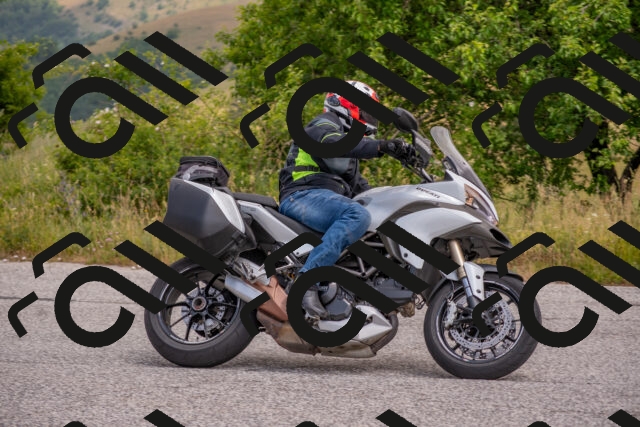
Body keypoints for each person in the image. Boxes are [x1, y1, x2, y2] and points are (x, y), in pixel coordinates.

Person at [277, 80, 418, 320]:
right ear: (347, 105)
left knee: (384, 217)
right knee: (356, 215)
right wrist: (383, 146)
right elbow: (336, 144)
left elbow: (363, 190)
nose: (370, 118)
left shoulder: (348, 157)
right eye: (366, 111)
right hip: (301, 195)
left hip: (324, 199)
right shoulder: (323, 125)